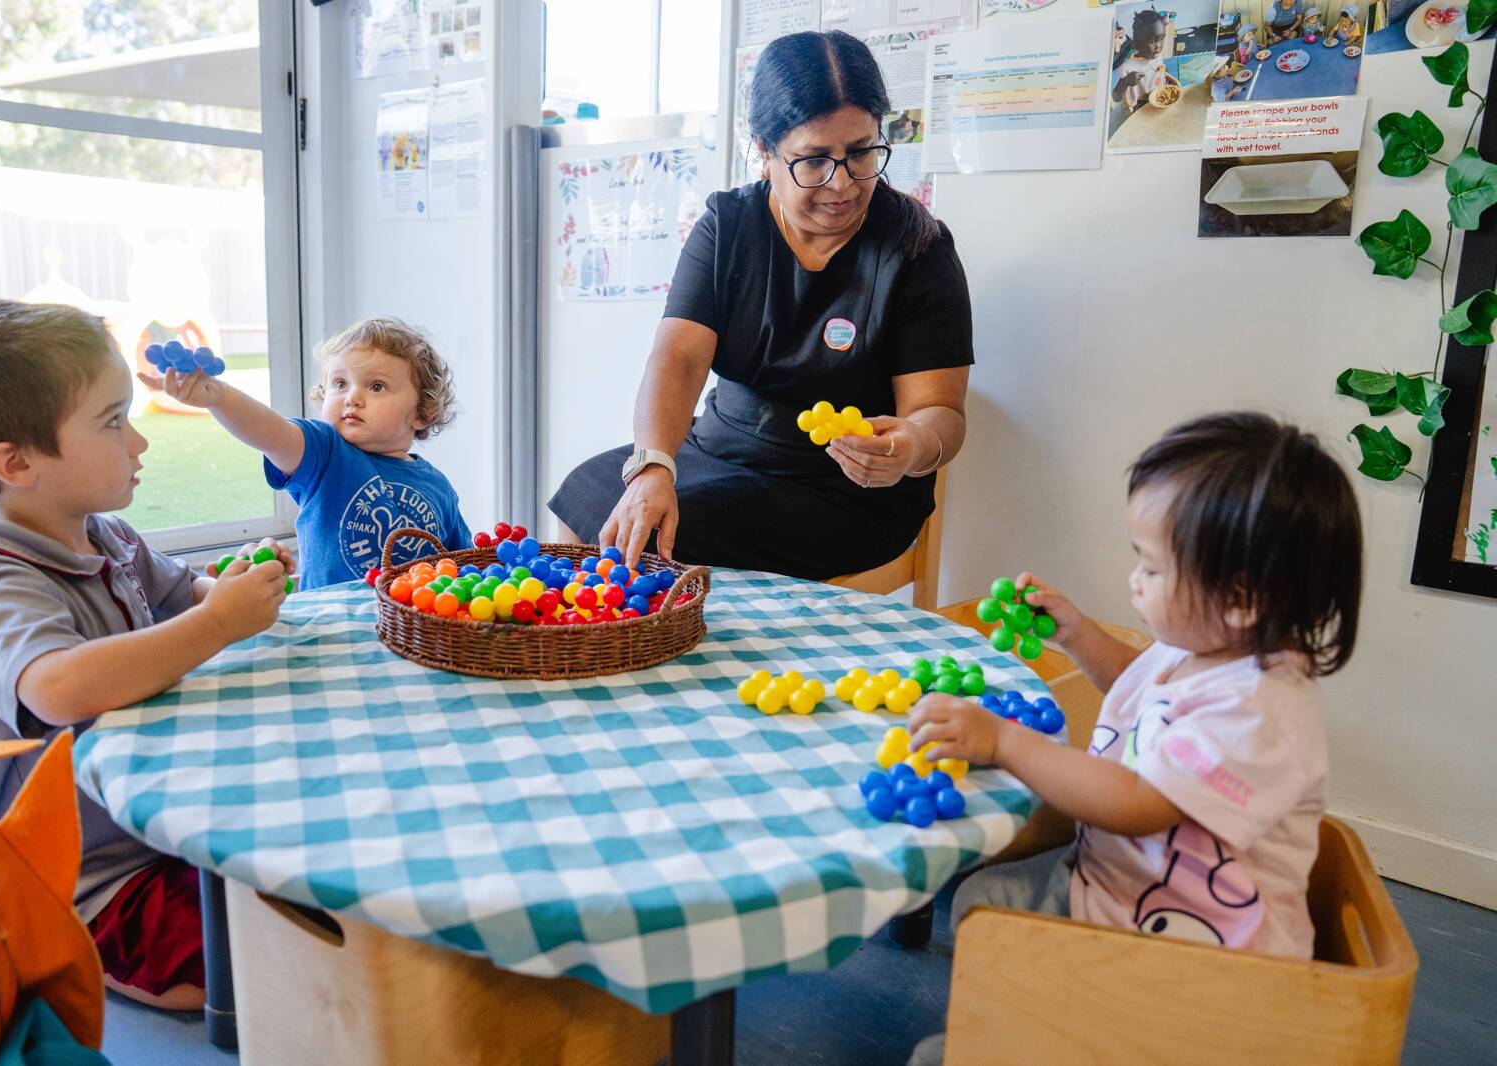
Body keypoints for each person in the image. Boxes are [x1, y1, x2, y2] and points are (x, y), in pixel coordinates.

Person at [904, 412, 1363, 1066]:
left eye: (1151, 566)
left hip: (1194, 964)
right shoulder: (1200, 646)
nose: (1134, 580)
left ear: (1238, 600)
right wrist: (1077, 633)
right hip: (1122, 884)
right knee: (983, 901)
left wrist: (1005, 743)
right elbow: (1138, 693)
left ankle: (1060, 1033)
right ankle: (1033, 1018)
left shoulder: (1256, 710)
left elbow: (1141, 801)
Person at [0, 299, 294, 1011]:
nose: (138, 443)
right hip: (98, 874)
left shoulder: (107, 536)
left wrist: (232, 589)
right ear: (15, 463)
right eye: (113, 422)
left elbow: (186, 597)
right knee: (270, 973)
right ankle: (69, 940)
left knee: (303, 904)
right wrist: (216, 626)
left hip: (169, 820)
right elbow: (59, 688)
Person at [550, 31, 972, 579]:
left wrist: (915, 446)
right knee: (587, 488)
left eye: (861, 153)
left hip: (845, 491)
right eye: (813, 159)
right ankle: (595, 646)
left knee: (676, 532)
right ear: (764, 151)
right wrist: (653, 464)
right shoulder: (729, 227)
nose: (840, 183)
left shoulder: (917, 248)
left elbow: (941, 413)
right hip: (718, 452)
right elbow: (677, 359)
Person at [145, 317, 472, 589]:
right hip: (329, 624)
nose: (351, 398)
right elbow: (270, 434)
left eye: (376, 387)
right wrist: (219, 397)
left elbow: (466, 566)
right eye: (340, 384)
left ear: (421, 412)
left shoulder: (438, 487)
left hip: (411, 634)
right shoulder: (325, 453)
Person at [1112, 8, 1177, 115]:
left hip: (1161, 94)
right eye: (1153, 41)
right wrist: (1125, 81)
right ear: (1138, 43)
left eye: (1161, 39)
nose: (1158, 46)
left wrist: (1165, 74)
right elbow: (1116, 97)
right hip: (1143, 105)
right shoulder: (1128, 68)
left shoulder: (1157, 55)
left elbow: (1160, 72)